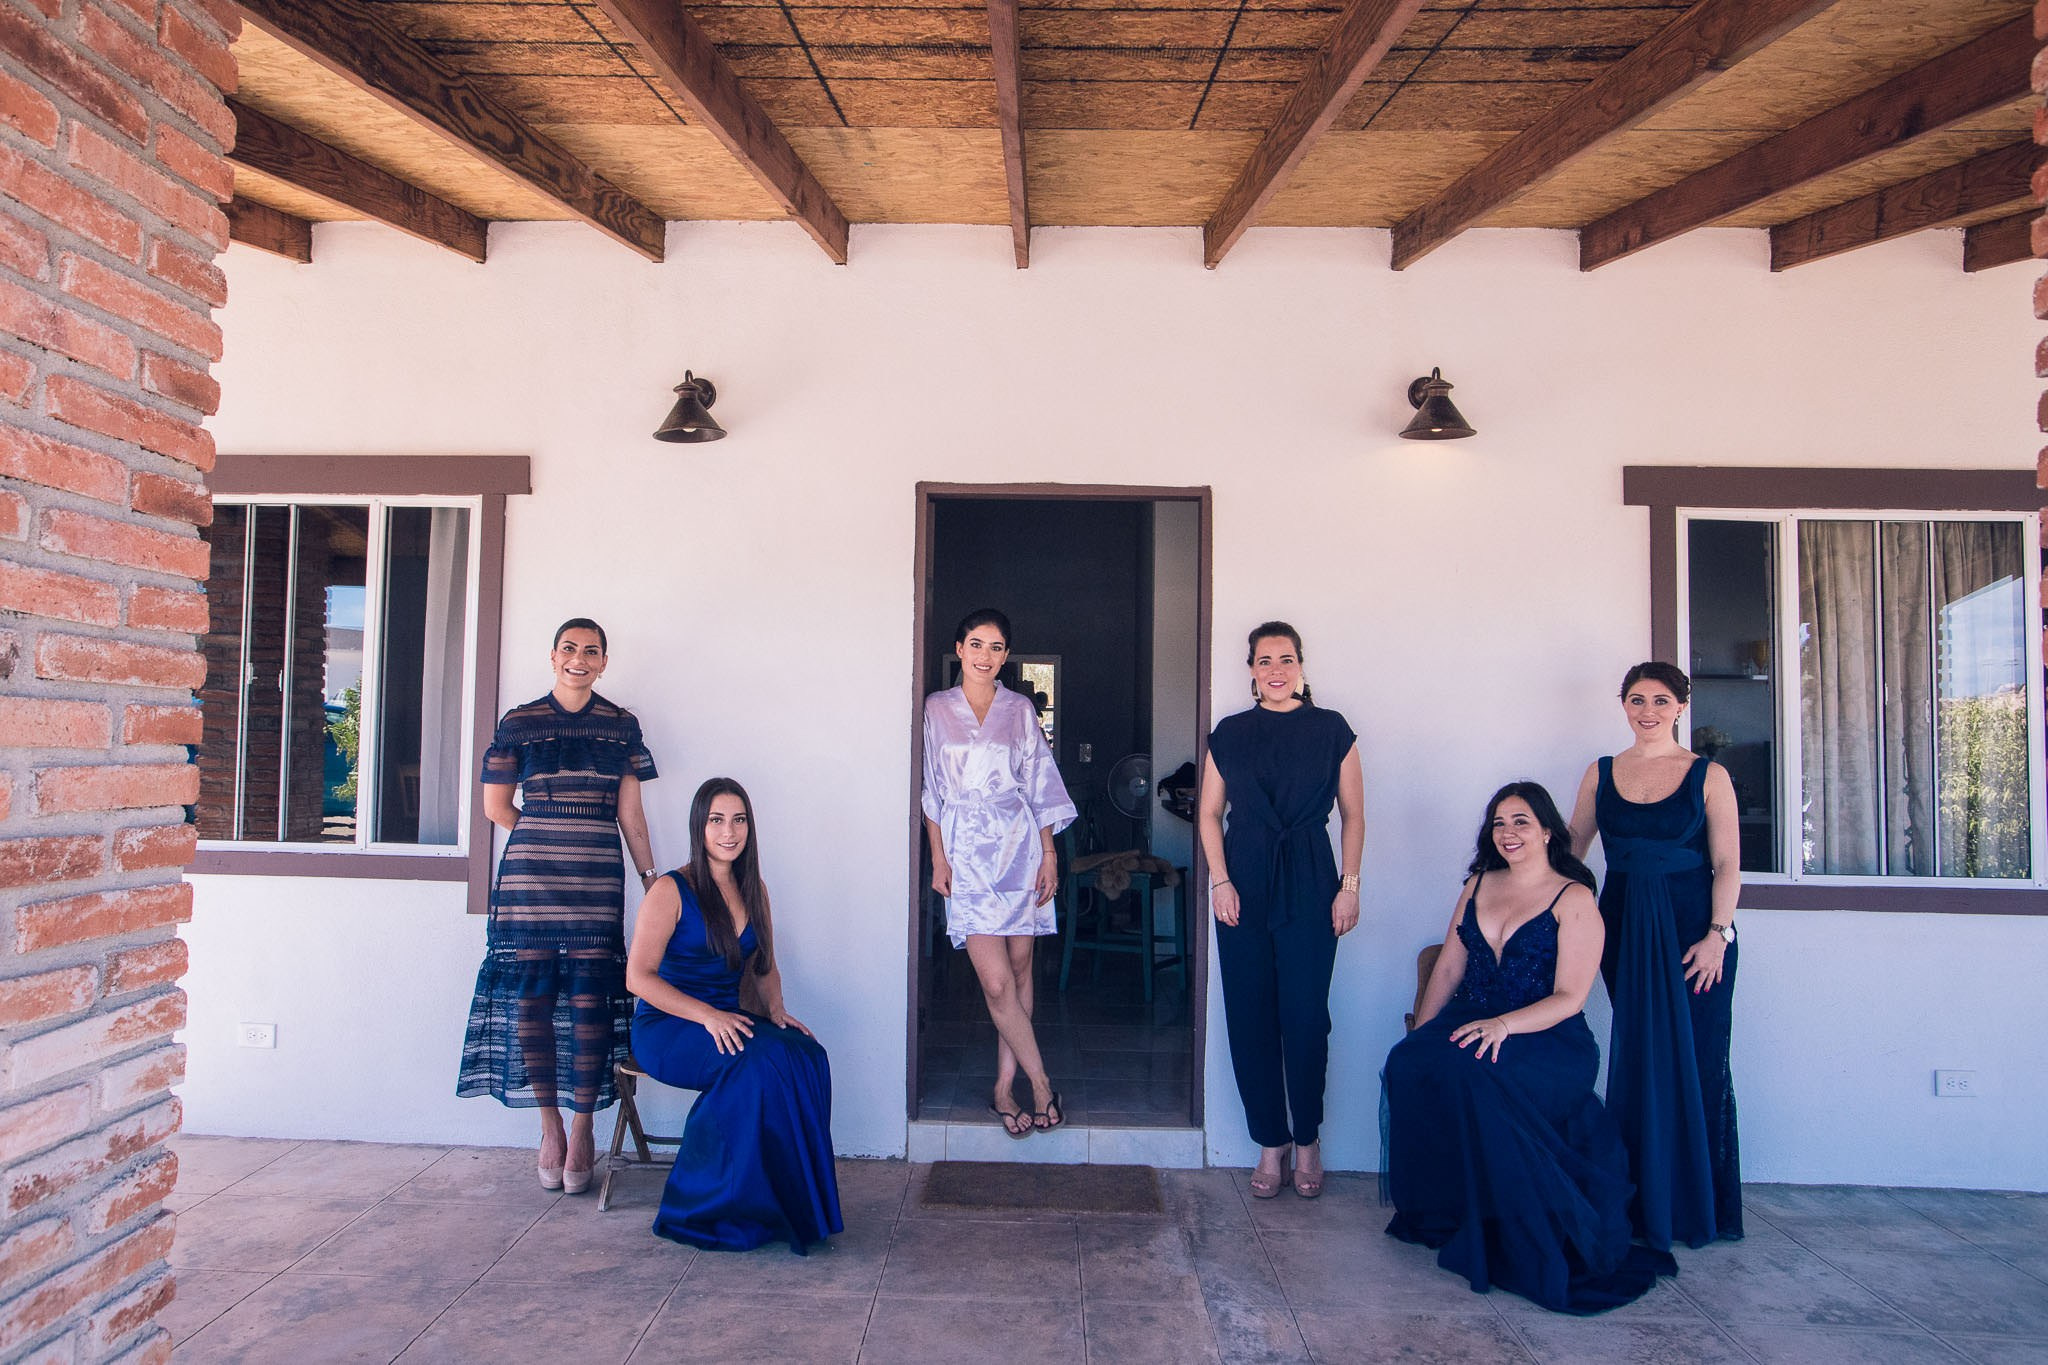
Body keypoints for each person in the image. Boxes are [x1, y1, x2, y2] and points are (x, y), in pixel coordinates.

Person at [1384, 782, 1677, 1313]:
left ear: (1547, 831)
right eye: (1499, 823)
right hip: (1471, 1018)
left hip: (1547, 1035)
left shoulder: (1574, 898)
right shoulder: (1477, 884)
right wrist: (1423, 1034)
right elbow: (1448, 968)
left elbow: (1571, 997)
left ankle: (1506, 1222)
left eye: (1520, 821)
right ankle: (1443, 1208)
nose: (1508, 833)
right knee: (1408, 1063)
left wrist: (1504, 1025)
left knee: (1477, 1072)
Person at [458, 618, 658, 1193]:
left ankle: (583, 1126)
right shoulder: (520, 723)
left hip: (596, 881)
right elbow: (496, 807)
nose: (579, 658)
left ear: (603, 662)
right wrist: (547, 835)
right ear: (553, 657)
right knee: (534, 1001)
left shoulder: (621, 726)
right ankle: (549, 1128)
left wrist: (652, 881)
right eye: (569, 648)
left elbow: (630, 814)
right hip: (530, 883)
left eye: (591, 651)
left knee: (591, 1003)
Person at [1569, 661, 1743, 1249]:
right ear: (1623, 705)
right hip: (1623, 926)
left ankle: (1699, 1207)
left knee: (1697, 1060)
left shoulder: (1709, 775)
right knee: (1640, 1055)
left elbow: (1728, 864)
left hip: (1694, 933)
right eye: (1638, 700)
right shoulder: (1600, 772)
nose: (1648, 711)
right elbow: (1572, 848)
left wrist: (1718, 934)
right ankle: (1641, 1203)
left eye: (1661, 700)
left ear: (1681, 707)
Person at [627, 778, 842, 1254]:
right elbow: (638, 978)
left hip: (725, 1019)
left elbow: (764, 966)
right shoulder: (670, 889)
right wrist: (707, 1016)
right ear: (699, 827)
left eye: (739, 820)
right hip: (669, 1027)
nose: (729, 832)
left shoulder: (754, 889)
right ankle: (702, 1207)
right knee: (755, 1065)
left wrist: (778, 1012)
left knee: (807, 1055)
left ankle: (791, 1206)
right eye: (717, 820)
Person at [1197, 621, 1363, 1198]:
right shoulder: (1230, 733)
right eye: (1265, 660)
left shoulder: (1332, 729)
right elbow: (1209, 814)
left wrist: (1349, 886)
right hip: (1243, 879)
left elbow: (1353, 815)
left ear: (1300, 666)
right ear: (1251, 669)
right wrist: (1221, 882)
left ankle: (1308, 1137)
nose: (1276, 670)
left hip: (1312, 878)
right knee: (1250, 1015)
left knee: (1306, 1016)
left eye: (1286, 659)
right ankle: (1271, 1142)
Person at [921, 608, 1078, 1137]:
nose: (985, 656)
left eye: (995, 647)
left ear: (1006, 655)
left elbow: (1040, 783)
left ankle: (1004, 1087)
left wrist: (1049, 855)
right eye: (976, 644)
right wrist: (938, 857)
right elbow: (931, 791)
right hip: (965, 851)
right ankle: (1042, 1083)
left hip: (1018, 847)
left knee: (1019, 969)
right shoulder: (936, 709)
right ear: (959, 648)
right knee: (994, 981)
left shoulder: (1019, 710)